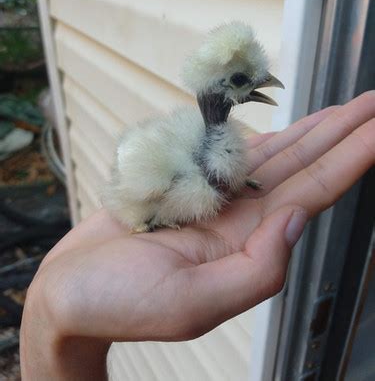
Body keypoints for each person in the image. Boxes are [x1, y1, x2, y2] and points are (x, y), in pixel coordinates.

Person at [20, 91, 375, 380]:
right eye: (241, 82)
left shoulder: (208, 143)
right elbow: (134, 179)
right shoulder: (171, 164)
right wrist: (49, 310)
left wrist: (49, 318)